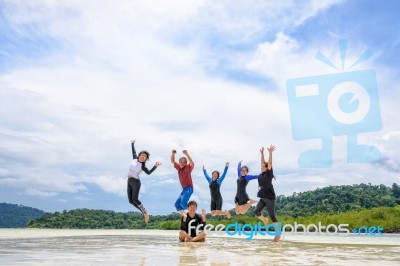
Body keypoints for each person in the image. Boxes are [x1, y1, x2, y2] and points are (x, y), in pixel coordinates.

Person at [127, 139, 161, 223]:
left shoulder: (142, 166)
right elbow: (133, 152)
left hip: (135, 182)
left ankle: (145, 211)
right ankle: (144, 212)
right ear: (139, 156)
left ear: (146, 159)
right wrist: (132, 144)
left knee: (135, 199)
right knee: (131, 201)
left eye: (145, 156)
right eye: (141, 155)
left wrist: (155, 166)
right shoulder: (135, 159)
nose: (143, 156)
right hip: (129, 181)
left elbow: (148, 173)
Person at [253, 145, 281, 242]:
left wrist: (270, 153)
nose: (261, 167)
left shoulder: (268, 173)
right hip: (263, 197)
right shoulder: (261, 174)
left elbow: (269, 163)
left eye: (263, 167)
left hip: (269, 197)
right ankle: (264, 220)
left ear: (266, 168)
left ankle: (278, 235)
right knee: (256, 212)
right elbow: (263, 162)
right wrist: (261, 154)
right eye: (261, 166)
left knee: (272, 216)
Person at [171, 149, 194, 218]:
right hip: (184, 190)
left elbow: (191, 163)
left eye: (184, 162)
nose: (182, 163)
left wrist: (186, 154)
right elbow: (172, 161)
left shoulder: (188, 167)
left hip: (189, 188)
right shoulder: (178, 168)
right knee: (177, 204)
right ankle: (185, 216)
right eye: (181, 162)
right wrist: (173, 154)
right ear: (179, 162)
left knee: (183, 203)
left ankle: (193, 215)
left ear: (186, 163)